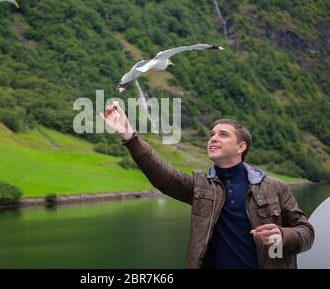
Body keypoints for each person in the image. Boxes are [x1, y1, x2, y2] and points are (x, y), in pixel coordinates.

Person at [99, 103, 314, 269]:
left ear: (241, 146)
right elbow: (163, 175)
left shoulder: (275, 187)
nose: (213, 138)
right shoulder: (200, 186)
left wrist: (282, 235)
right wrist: (129, 135)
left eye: (223, 134)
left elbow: (306, 233)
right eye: (211, 135)